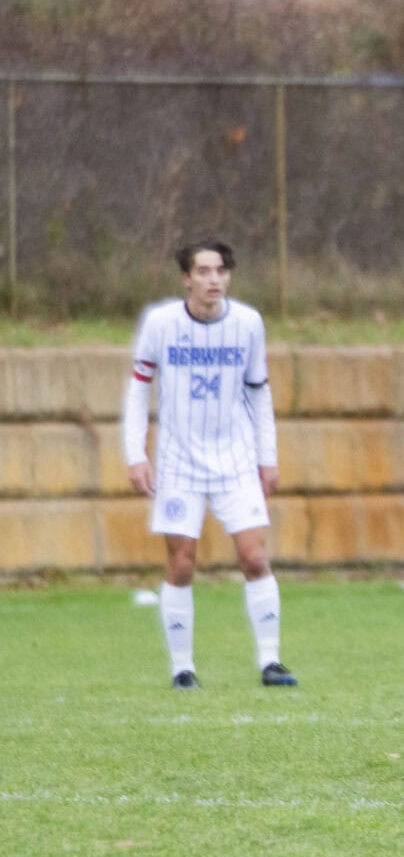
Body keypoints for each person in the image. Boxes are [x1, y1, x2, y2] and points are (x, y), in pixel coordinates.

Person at [123, 237, 296, 690]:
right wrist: (135, 454)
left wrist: (268, 457)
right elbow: (140, 387)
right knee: (181, 564)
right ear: (186, 279)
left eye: (219, 270)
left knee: (254, 556)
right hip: (178, 462)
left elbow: (259, 391)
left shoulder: (247, 324)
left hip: (235, 460)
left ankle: (271, 662)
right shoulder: (160, 324)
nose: (213, 279)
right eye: (202, 271)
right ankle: (183, 668)